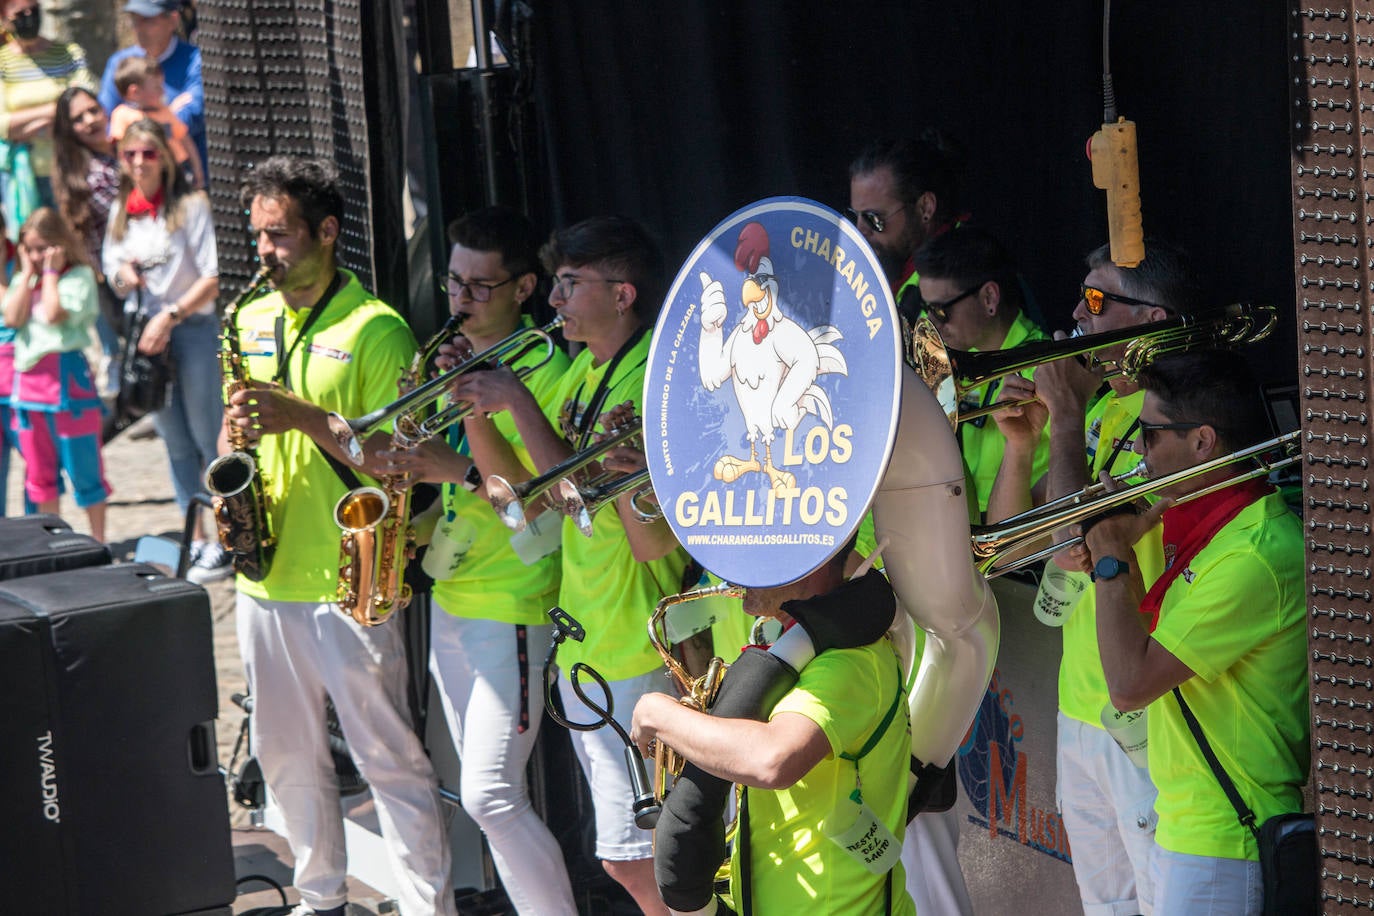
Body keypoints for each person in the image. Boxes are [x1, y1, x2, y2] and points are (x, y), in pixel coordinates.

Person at [223, 155, 456, 916]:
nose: (265, 251)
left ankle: (429, 907)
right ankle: (319, 899)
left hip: (351, 579)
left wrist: (301, 418)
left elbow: (399, 462)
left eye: (281, 235)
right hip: (266, 574)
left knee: (387, 758)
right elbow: (244, 441)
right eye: (258, 235)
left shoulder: (376, 329)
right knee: (283, 755)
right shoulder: (247, 319)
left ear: (327, 232)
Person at [452, 215, 689, 915]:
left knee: (637, 856)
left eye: (570, 284)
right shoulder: (586, 367)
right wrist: (474, 405)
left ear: (623, 294)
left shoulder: (650, 375)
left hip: (637, 633)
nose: (554, 301)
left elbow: (582, 492)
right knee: (630, 854)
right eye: (555, 283)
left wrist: (519, 399)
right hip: (591, 630)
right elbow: (528, 500)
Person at [987, 240, 1201, 916]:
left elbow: (1074, 536)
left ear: (1148, 319)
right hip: (1079, 709)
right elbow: (1008, 548)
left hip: (1146, 718)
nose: (1077, 312)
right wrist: (1023, 445)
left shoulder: (1174, 422)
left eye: (1100, 300)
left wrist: (1067, 418)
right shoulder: (1103, 408)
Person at [377, 206, 578, 915]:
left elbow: (526, 504)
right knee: (482, 796)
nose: (458, 299)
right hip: (454, 598)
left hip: (514, 602)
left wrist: (456, 448)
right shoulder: (448, 355)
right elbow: (438, 474)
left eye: (479, 286)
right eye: (453, 281)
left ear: (526, 288)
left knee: (494, 795)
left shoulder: (545, 368)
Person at [1082, 349, 1306, 914]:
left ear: (1202, 442)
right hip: (1189, 825)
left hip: (1224, 836)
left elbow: (1130, 684)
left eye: (1151, 434)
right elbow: (1147, 645)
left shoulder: (1252, 553)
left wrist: (1109, 558)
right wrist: (1122, 555)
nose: (1138, 450)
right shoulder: (1214, 530)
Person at [630, 546, 917, 916]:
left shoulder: (847, 664)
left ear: (808, 561)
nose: (734, 569)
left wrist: (660, 714)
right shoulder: (803, 646)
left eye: (757, 551)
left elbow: (773, 760)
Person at [101, 118, 224, 580]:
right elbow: (110, 265)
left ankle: (230, 535)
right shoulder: (123, 212)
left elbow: (211, 278)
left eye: (148, 154)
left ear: (164, 159)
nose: (138, 163)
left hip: (188, 328)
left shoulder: (191, 207)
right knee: (173, 440)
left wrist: (170, 315)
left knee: (205, 434)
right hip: (147, 339)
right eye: (130, 154)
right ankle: (195, 539)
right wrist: (123, 277)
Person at [912, 226, 1050, 519]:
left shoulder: (1045, 370)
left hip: (1027, 540)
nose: (930, 323)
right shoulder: (966, 355)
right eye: (926, 309)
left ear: (989, 298)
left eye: (940, 310)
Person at [2, 207, 109, 538]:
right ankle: (54, 541)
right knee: (40, 475)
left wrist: (49, 275)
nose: (38, 255)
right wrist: (28, 273)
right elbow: (13, 319)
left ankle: (98, 540)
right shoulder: (24, 278)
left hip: (67, 385)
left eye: (44, 247)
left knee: (85, 470)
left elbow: (52, 314)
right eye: (31, 248)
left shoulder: (78, 277)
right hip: (29, 387)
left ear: (60, 244)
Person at [51, 86, 121, 401]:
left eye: (93, 110)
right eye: (79, 118)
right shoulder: (81, 171)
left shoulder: (127, 148)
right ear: (69, 129)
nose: (90, 120)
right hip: (110, 274)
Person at [847, 133, 963, 322]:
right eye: (855, 216)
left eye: (873, 218)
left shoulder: (958, 284)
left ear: (925, 208)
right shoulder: (901, 272)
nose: (860, 231)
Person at [0, 0, 93, 216]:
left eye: (34, 10)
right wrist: (57, 111)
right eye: (20, 14)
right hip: (21, 175)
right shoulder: (3, 62)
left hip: (69, 167)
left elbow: (84, 105)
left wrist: (23, 124)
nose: (29, 17)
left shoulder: (69, 53)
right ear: (5, 19)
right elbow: (3, 125)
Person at [99, 0, 206, 172]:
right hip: (136, 175)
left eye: (147, 20)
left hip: (184, 174)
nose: (138, 28)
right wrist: (167, 113)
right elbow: (107, 118)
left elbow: (193, 117)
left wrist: (135, 119)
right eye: (134, 20)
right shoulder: (120, 64)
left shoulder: (195, 61)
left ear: (173, 20)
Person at [108, 55, 204, 190]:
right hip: (146, 175)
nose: (163, 91)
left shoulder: (165, 112)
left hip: (178, 168)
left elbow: (185, 139)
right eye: (157, 87)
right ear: (135, 92)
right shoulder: (122, 115)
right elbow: (119, 150)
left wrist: (198, 170)